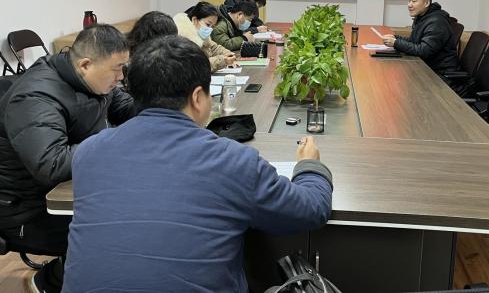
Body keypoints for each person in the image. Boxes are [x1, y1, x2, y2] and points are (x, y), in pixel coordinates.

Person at [62, 36, 333, 292]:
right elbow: (310, 209)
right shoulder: (232, 161)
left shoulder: (89, 152)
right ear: (197, 97)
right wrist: (309, 165)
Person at [0, 24, 135, 293]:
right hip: (26, 209)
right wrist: (114, 142)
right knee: (126, 228)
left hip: (64, 191)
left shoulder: (95, 81)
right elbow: (51, 164)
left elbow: (125, 108)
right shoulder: (36, 96)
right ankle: (51, 281)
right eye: (117, 69)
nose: (121, 77)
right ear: (85, 64)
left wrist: (164, 109)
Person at [382, 0, 459, 74]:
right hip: (426, 67)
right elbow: (414, 41)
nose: (409, 5)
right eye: (409, 1)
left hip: (439, 73)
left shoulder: (437, 22)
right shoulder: (422, 17)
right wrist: (396, 38)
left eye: (414, 1)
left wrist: (396, 43)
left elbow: (424, 51)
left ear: (426, 3)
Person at [174, 2, 237, 71]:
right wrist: (222, 60)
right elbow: (197, 65)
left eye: (213, 26)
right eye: (208, 24)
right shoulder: (183, 40)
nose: (210, 29)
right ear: (195, 20)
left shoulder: (200, 34)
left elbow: (214, 47)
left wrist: (228, 54)